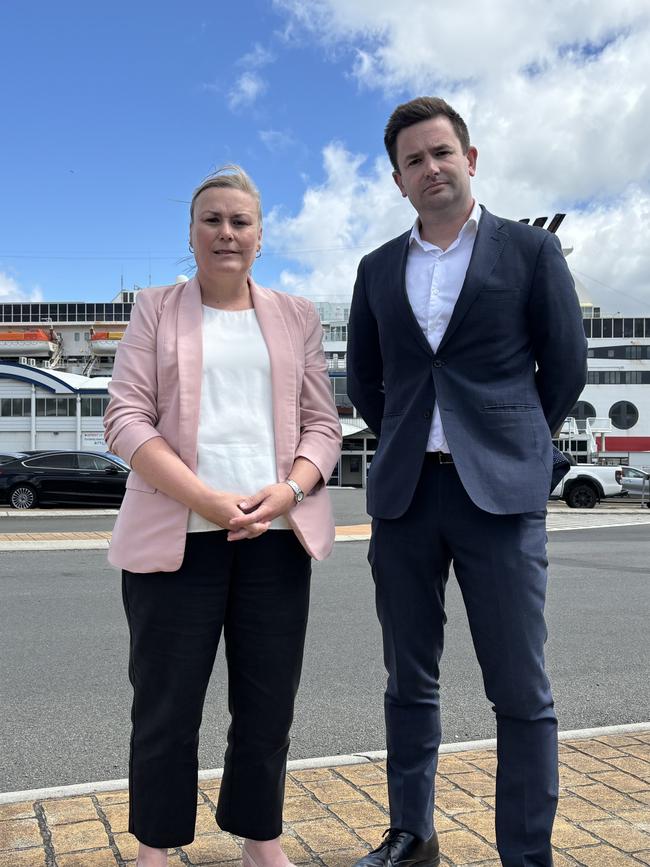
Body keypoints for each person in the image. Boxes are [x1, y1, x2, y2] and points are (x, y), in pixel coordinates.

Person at [347, 98, 587, 867]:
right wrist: (413, 439)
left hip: (501, 499)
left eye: (442, 152)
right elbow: (367, 383)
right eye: (414, 160)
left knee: (521, 689)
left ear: (471, 158)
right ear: (397, 179)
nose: (432, 168)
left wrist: (510, 443)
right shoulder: (377, 269)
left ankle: (526, 853)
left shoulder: (529, 254)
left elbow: (566, 369)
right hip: (407, 496)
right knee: (407, 680)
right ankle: (413, 835)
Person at [103, 165, 341, 867]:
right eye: (212, 219)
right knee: (166, 709)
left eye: (240, 221)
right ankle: (156, 845)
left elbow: (323, 427)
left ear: (261, 237)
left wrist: (290, 491)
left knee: (267, 707)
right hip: (177, 538)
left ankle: (259, 839)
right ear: (192, 233)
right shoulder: (155, 307)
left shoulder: (296, 316)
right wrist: (205, 499)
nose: (226, 232)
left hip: (274, 541)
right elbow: (125, 418)